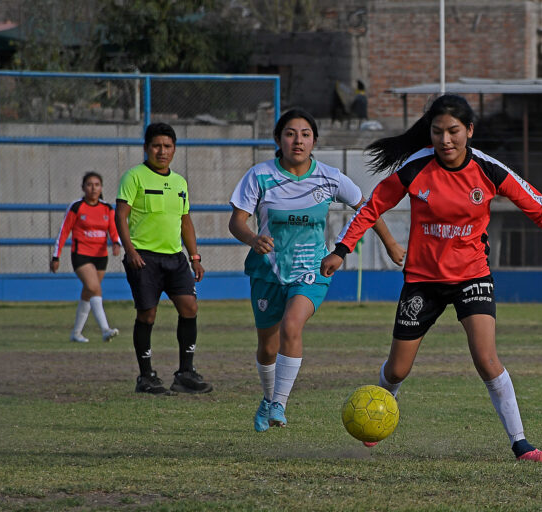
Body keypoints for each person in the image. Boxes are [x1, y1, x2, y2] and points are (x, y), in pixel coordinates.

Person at [321, 94, 542, 461]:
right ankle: (376, 412)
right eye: (437, 132)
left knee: (486, 359)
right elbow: (373, 207)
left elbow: (536, 204)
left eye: (453, 131)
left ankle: (520, 443)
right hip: (422, 280)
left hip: (473, 276)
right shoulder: (415, 168)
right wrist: (342, 249)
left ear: (469, 130)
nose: (445, 140)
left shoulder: (488, 169)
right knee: (398, 368)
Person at [229, 108, 406, 432]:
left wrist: (390, 243)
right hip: (268, 270)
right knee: (267, 346)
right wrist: (253, 238)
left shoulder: (329, 176)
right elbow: (237, 222)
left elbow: (368, 208)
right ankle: (268, 399)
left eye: (305, 134)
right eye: (290, 134)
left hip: (311, 268)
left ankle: (280, 404)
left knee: (292, 326)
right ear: (278, 140)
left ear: (314, 141)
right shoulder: (259, 176)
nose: (298, 140)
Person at [115, 122, 212, 395]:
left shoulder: (180, 182)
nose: (162, 151)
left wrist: (194, 256)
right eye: (156, 146)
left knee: (189, 307)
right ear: (146, 148)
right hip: (144, 257)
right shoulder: (134, 177)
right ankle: (146, 377)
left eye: (168, 146)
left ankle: (185, 373)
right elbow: (120, 216)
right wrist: (131, 251)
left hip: (175, 257)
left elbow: (185, 220)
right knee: (147, 314)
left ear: (174, 149)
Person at [51, 172, 121, 343]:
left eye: (97, 184)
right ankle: (105, 330)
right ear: (83, 187)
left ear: (101, 187)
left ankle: (76, 333)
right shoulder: (76, 207)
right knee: (94, 287)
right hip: (81, 254)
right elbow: (64, 231)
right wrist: (56, 256)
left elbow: (113, 229)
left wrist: (116, 243)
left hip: (100, 257)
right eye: (89, 184)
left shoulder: (107, 208)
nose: (93, 188)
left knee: (88, 293)